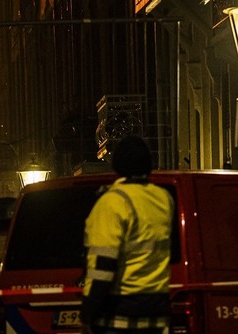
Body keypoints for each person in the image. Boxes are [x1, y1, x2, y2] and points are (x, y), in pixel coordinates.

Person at [81, 135, 173, 334]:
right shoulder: (164, 199)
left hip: (119, 313)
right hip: (157, 311)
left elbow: (103, 267)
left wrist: (88, 312)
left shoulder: (112, 203)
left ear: (118, 164)